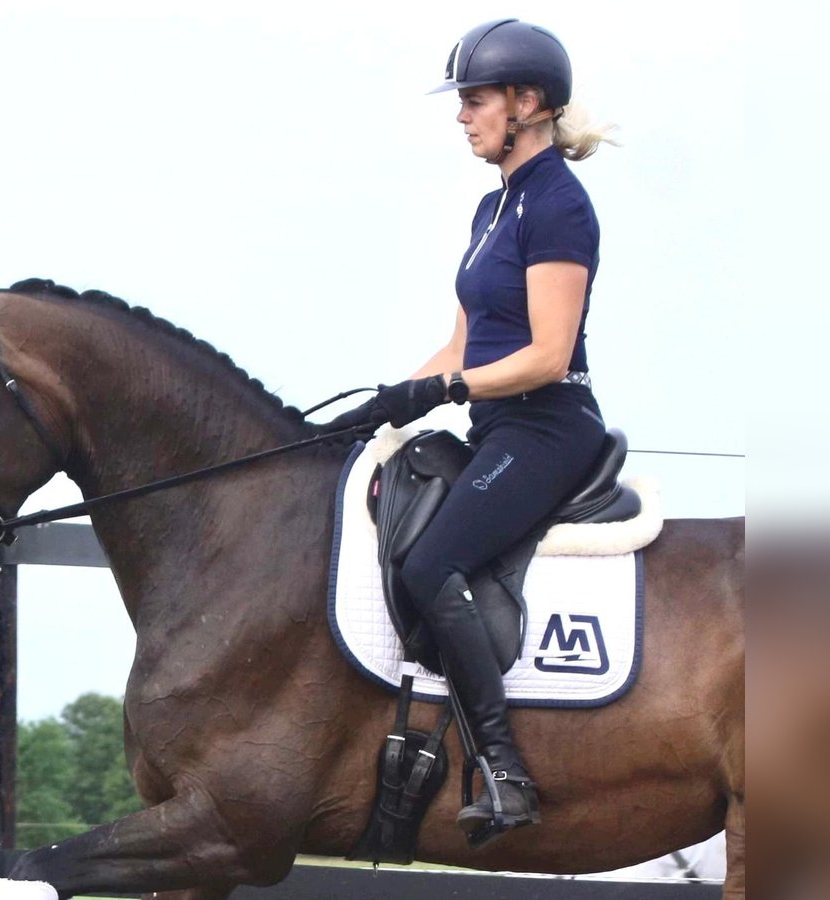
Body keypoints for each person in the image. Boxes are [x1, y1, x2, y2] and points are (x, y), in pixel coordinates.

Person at [327, 18, 618, 843]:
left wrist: (441, 387)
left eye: (475, 99)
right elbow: (460, 346)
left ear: (528, 103)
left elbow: (548, 356)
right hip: (494, 423)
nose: (463, 116)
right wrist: (390, 403)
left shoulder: (559, 204)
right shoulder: (493, 206)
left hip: (548, 429)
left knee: (430, 562)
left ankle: (502, 767)